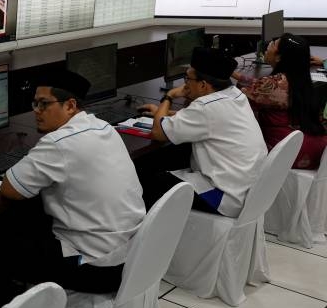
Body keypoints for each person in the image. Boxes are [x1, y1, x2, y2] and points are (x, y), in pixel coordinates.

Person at [0, 69, 145, 308]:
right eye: (34, 103)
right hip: (132, 256)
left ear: (70, 106)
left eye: (44, 104)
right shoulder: (103, 126)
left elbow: (10, 189)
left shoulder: (58, 143)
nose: (36, 111)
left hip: (96, 269)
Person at [139, 47, 267, 216]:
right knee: (173, 157)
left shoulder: (205, 107)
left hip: (224, 196)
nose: (185, 85)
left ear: (203, 85)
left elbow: (158, 132)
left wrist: (169, 97)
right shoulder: (235, 94)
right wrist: (163, 112)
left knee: (150, 181)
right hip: (246, 189)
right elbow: (210, 121)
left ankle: (150, 238)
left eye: (187, 79)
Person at [235, 33, 327, 169]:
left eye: (273, 44)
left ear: (279, 57)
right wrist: (236, 75)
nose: (268, 46)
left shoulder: (270, 85)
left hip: (289, 154)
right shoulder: (300, 78)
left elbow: (236, 99)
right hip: (317, 148)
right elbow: (263, 88)